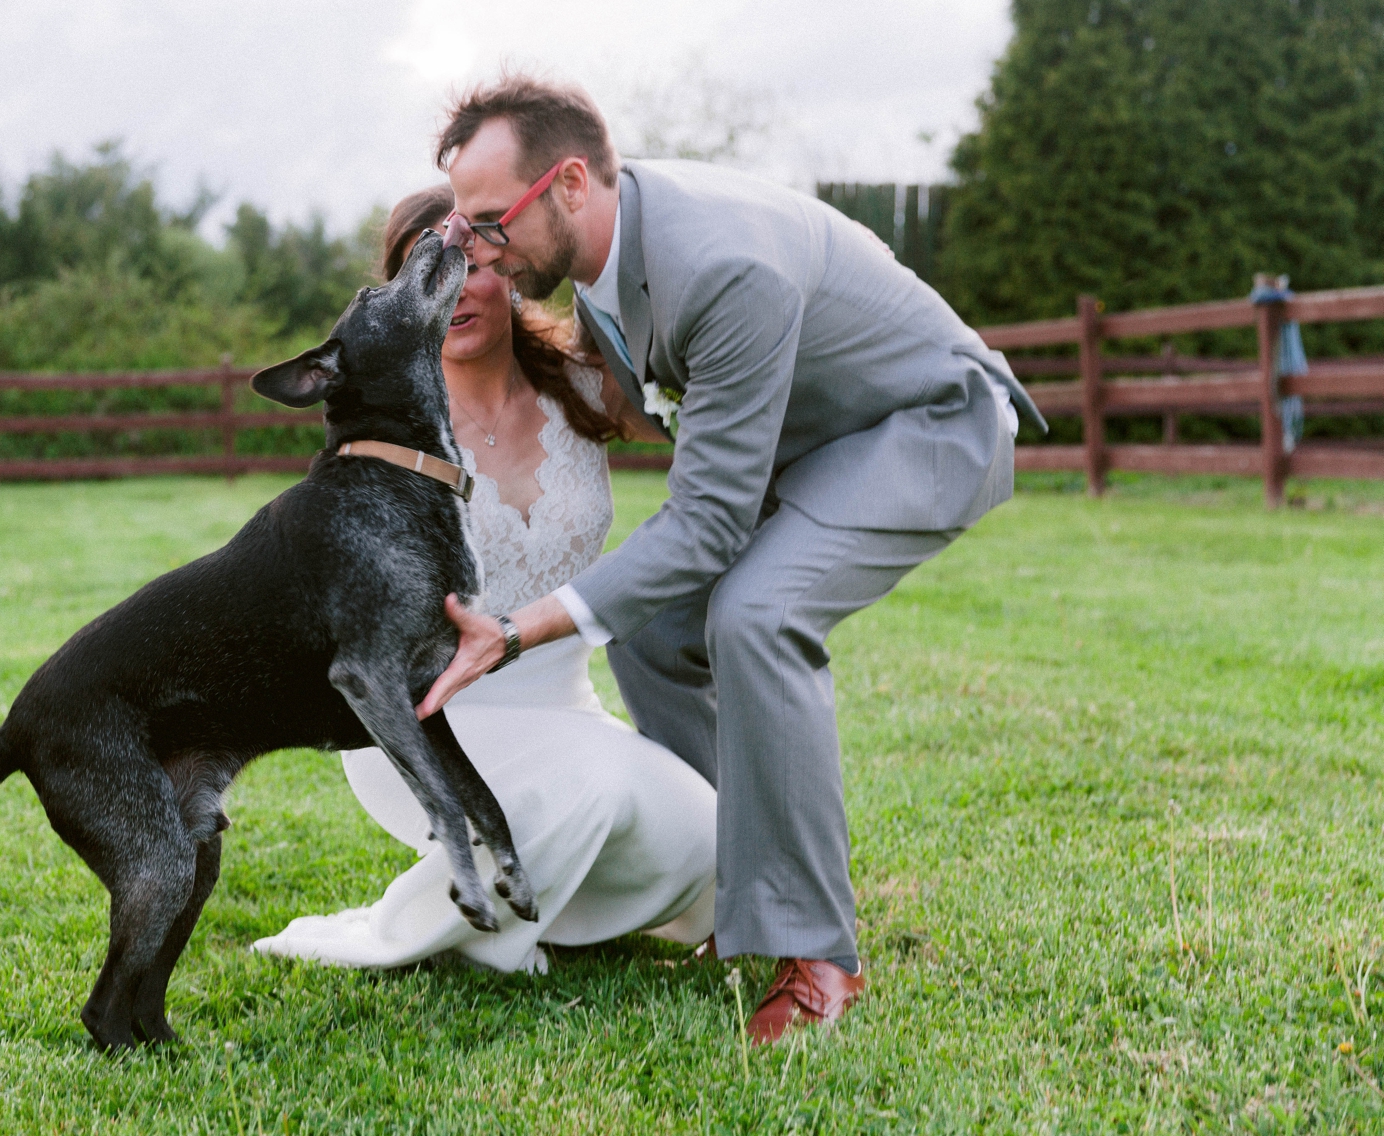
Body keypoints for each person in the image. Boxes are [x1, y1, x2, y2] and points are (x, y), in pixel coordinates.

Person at [418, 75, 1042, 1042]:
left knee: (757, 613)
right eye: (465, 227)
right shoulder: (603, 253)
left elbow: (707, 523)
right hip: (822, 443)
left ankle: (817, 952)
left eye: (490, 222)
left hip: (925, 426)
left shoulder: (721, 263)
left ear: (570, 183)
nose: (477, 249)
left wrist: (525, 625)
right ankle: (729, 897)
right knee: (656, 631)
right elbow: (642, 408)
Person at [253, 185, 721, 975]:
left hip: (565, 710)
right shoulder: (388, 439)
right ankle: (443, 930)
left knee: (711, 837)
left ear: (512, 270)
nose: (459, 287)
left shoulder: (587, 381)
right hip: (427, 720)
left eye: (476, 262)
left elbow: (717, 434)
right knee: (598, 790)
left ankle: (555, 910)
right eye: (430, 270)